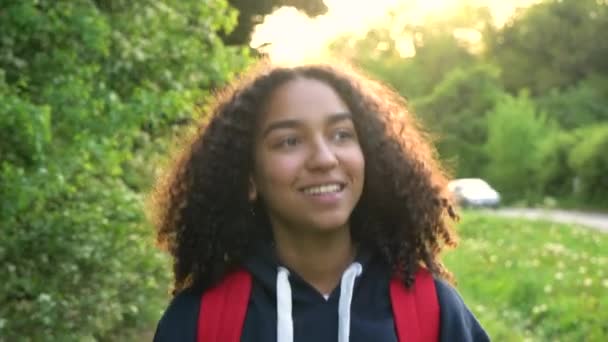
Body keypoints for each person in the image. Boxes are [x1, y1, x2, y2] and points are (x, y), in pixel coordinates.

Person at [150, 63, 490, 341]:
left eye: (341, 135)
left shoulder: (430, 311)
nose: (324, 158)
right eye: (289, 141)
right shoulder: (201, 322)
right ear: (249, 179)